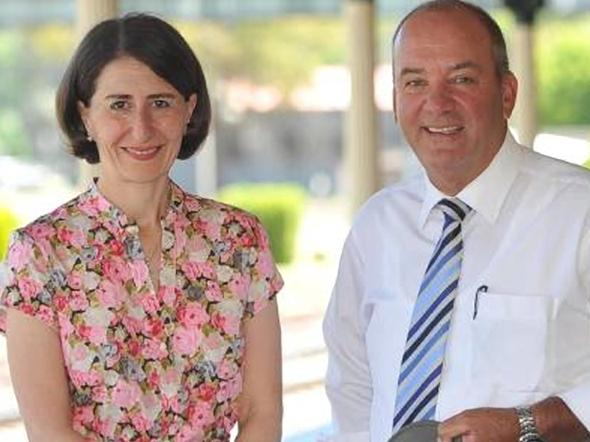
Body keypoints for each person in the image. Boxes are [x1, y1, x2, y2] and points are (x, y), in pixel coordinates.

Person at [0, 13, 283, 442]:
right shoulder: (39, 254)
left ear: (189, 110)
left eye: (161, 102)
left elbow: (264, 414)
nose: (142, 127)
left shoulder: (238, 240)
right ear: (86, 116)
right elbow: (48, 432)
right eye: (119, 105)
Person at [323, 1, 590, 441]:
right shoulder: (376, 227)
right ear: (394, 101)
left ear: (507, 93)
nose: (437, 103)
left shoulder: (579, 214)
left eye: (462, 79)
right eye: (415, 82)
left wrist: (527, 424)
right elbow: (352, 386)